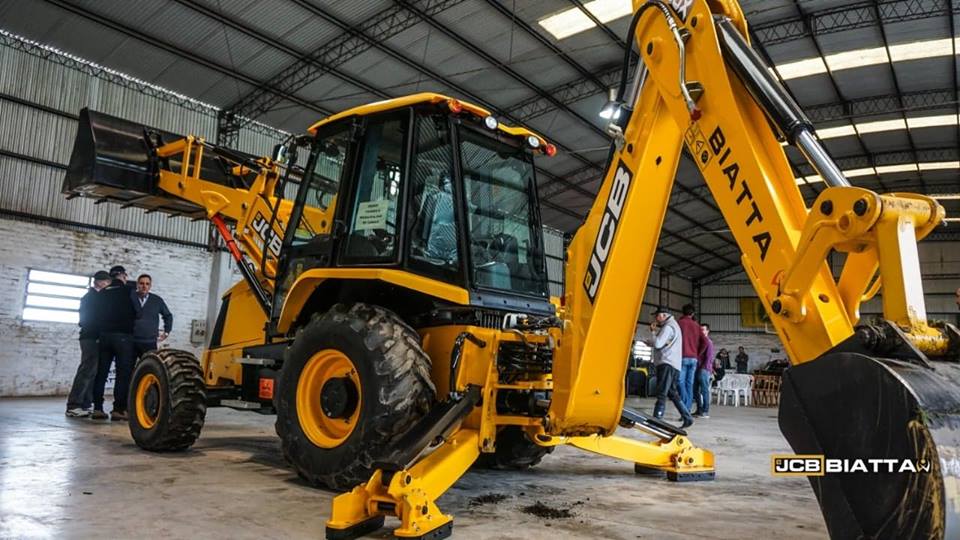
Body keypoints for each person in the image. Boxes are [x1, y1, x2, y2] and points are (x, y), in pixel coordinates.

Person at [91, 266, 137, 421]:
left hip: (104, 336)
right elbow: (137, 311)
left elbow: (96, 315)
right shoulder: (129, 291)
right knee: (123, 374)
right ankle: (118, 409)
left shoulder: (102, 293)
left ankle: (97, 408)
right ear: (123, 276)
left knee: (101, 372)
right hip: (123, 337)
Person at [65, 270, 112, 418]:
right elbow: (87, 320)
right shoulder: (91, 298)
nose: (107, 285)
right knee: (86, 370)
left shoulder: (96, 297)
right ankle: (74, 405)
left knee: (93, 371)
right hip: (91, 338)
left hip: (93, 337)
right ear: (100, 282)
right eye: (106, 282)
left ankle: (85, 404)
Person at [645, 306, 693, 428]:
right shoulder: (674, 326)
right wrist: (651, 342)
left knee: (662, 392)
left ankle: (656, 420)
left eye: (657, 316)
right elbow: (664, 343)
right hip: (674, 364)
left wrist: (653, 332)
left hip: (667, 363)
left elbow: (658, 343)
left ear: (664, 315)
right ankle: (687, 417)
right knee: (672, 392)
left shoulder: (668, 327)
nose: (656, 318)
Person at [132, 274, 173, 360]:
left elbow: (168, 316)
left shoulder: (157, 300)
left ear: (150, 286)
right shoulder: (130, 297)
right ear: (137, 284)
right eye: (141, 283)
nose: (144, 286)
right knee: (127, 366)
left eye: (147, 284)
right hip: (130, 340)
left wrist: (166, 331)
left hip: (149, 342)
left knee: (149, 366)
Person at [676, 304, 705, 412]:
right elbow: (705, 342)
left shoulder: (679, 323)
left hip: (682, 357)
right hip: (693, 359)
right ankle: (687, 409)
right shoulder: (696, 325)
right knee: (689, 384)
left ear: (682, 312)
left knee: (680, 382)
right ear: (693, 314)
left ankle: (685, 408)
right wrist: (697, 353)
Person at [693, 324, 714, 418]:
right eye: (700, 330)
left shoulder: (708, 342)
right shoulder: (699, 342)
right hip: (696, 369)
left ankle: (705, 411)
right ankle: (699, 410)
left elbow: (709, 357)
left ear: (707, 331)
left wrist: (704, 368)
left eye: (703, 330)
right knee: (695, 390)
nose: (701, 331)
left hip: (704, 369)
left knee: (704, 390)